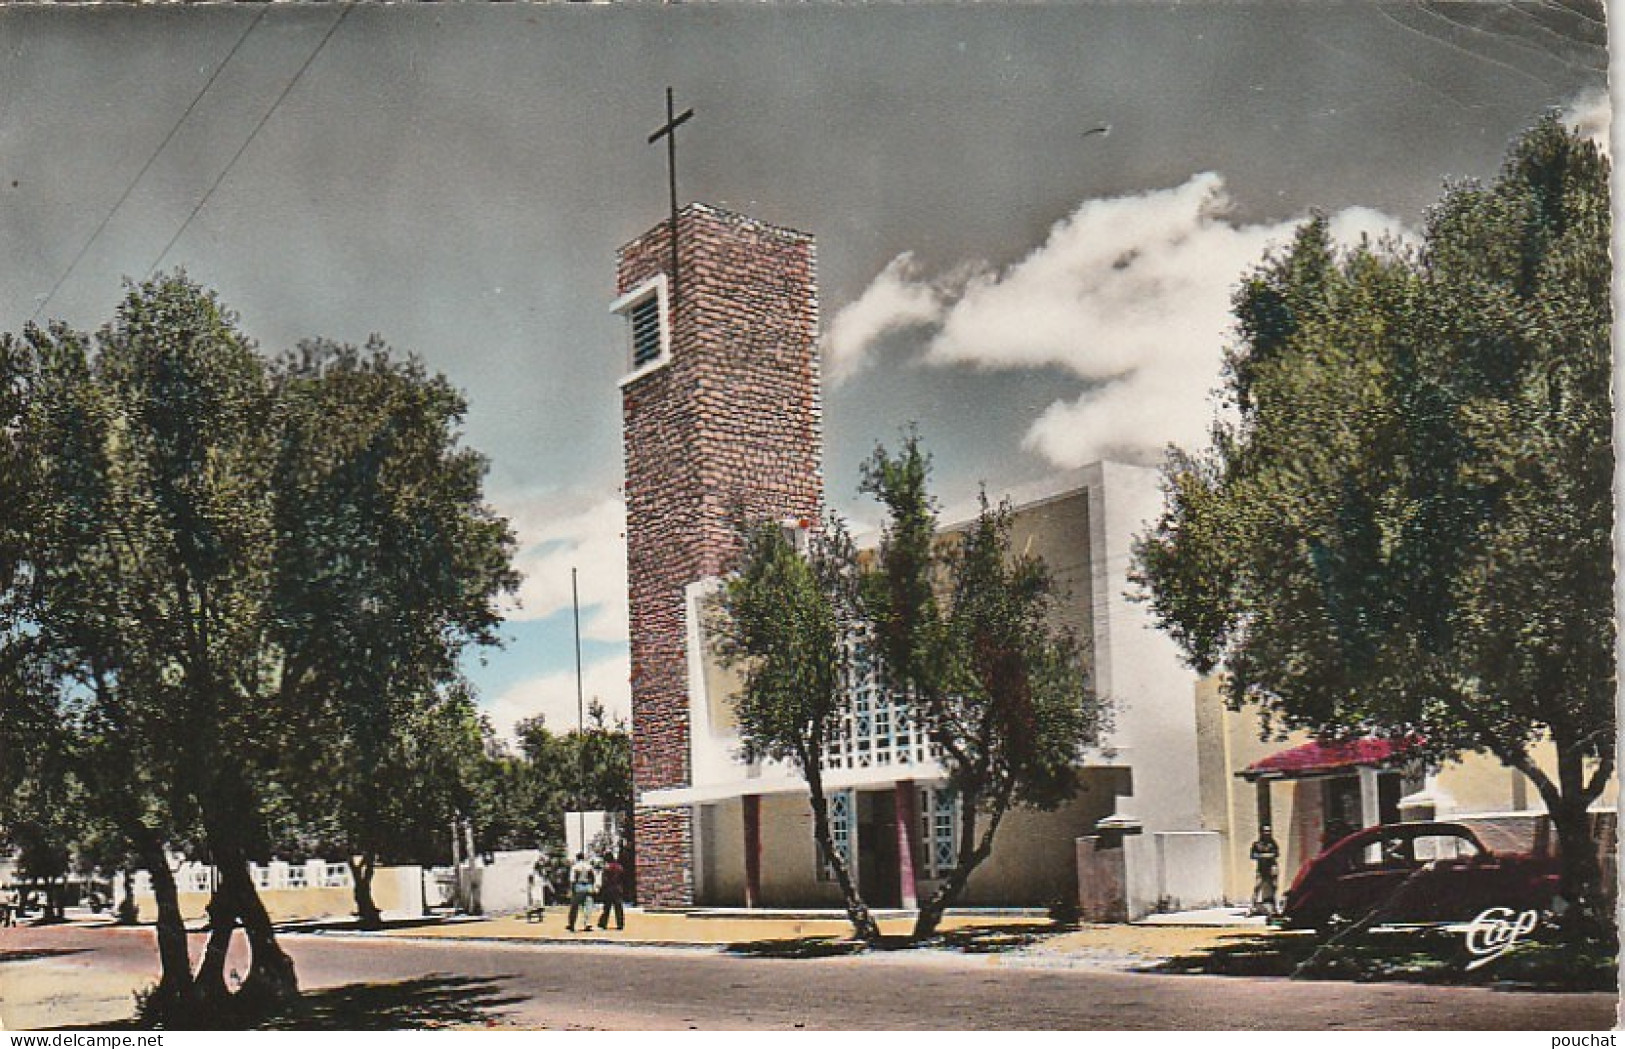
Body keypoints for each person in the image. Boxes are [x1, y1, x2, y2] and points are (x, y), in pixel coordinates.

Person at [1249, 825, 1280, 917]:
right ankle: (1253, 907)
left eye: (1269, 831)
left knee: (1274, 887)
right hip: (1261, 869)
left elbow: (1276, 854)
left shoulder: (1273, 843)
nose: (1267, 833)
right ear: (1261, 832)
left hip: (1271, 868)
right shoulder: (1257, 844)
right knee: (1257, 886)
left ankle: (1274, 908)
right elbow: (1253, 855)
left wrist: (1264, 856)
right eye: (1265, 831)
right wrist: (1264, 856)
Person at [565, 852, 596, 932]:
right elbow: (592, 877)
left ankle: (572, 924)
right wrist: (592, 886)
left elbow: (572, 880)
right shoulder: (589, 866)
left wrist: (571, 890)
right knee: (588, 906)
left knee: (574, 906)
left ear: (577, 858)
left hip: (578, 886)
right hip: (588, 886)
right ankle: (587, 923)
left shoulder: (575, 867)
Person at [595, 854, 626, 931]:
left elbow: (604, 880)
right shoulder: (620, 867)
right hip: (618, 889)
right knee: (618, 907)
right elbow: (623, 879)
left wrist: (602, 889)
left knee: (607, 907)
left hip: (608, 889)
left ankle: (603, 923)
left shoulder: (607, 868)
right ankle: (620, 924)